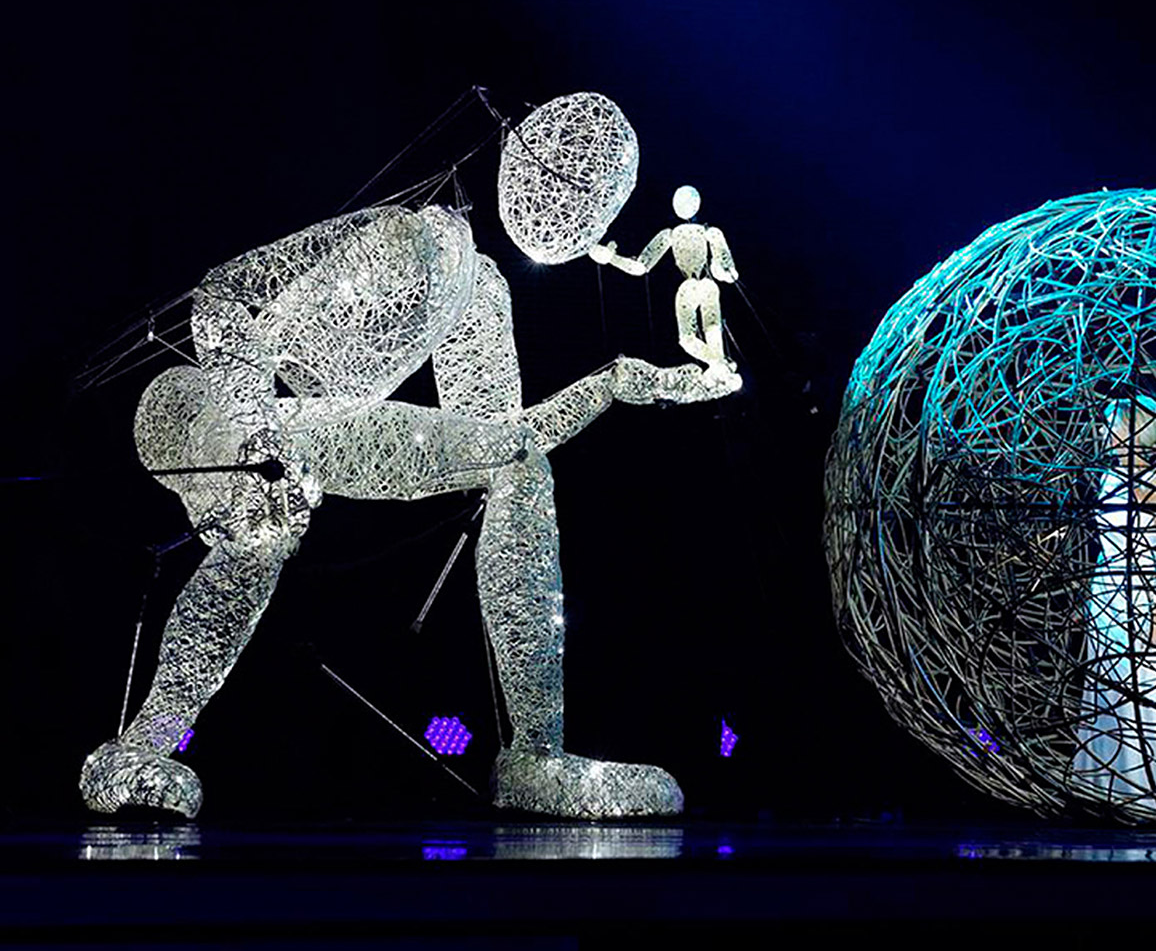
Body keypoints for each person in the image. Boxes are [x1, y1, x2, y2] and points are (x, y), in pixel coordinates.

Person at [80, 202, 735, 820]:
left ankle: (537, 757)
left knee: (517, 462)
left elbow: (509, 441)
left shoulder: (476, 283)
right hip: (210, 408)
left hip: (305, 416)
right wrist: (256, 432)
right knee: (260, 524)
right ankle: (139, 746)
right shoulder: (398, 245)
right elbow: (224, 298)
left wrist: (616, 384)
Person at [1072, 394, 1156, 808]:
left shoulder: (1152, 484)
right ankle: (1106, 785)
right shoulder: (1109, 478)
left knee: (1138, 691)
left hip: (1139, 595)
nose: (1104, 431)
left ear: (1134, 429)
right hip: (1106, 594)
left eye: (1113, 424)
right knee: (1107, 690)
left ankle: (1144, 788)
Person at [589, 184, 740, 385]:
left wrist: (611, 258)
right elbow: (727, 272)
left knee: (690, 337)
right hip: (706, 286)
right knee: (710, 328)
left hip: (689, 287)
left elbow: (640, 267)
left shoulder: (672, 235)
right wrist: (611, 258)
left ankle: (718, 366)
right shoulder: (710, 232)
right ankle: (719, 366)